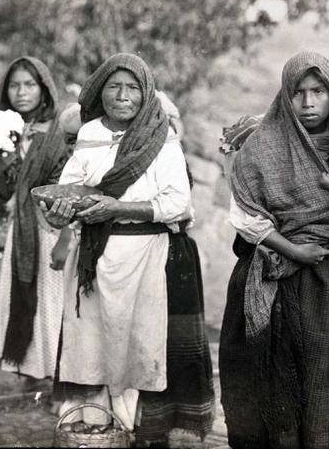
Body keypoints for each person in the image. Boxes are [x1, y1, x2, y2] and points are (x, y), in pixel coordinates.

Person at [41, 53, 215, 446]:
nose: (123, 96)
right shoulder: (88, 139)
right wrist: (59, 211)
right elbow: (67, 195)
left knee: (138, 347)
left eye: (132, 87)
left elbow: (178, 204)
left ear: (146, 92)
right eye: (113, 87)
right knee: (93, 345)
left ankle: (138, 429)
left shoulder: (162, 140)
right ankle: (97, 427)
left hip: (145, 256)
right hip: (93, 259)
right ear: (100, 92)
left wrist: (117, 207)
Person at [218, 51, 329, 448]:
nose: (308, 103)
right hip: (272, 269)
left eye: (318, 91)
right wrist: (293, 250)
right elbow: (246, 217)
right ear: (284, 95)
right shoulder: (262, 147)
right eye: (297, 92)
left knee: (325, 377)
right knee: (273, 381)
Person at [0, 57, 73, 383]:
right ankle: (31, 369)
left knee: (54, 303)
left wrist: (65, 238)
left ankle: (60, 379)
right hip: (22, 232)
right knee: (25, 299)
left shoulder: (59, 129)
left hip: (52, 228)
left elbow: (69, 185)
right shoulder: (4, 133)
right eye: (14, 85)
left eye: (29, 84)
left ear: (44, 88)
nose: (21, 92)